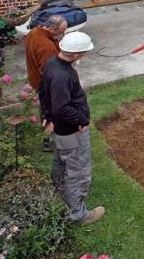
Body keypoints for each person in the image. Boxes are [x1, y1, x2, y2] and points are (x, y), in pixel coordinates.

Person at [40, 31, 105, 224]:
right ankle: (78, 214)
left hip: (60, 130)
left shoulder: (51, 64)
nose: (83, 55)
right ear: (76, 54)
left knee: (61, 162)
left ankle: (59, 196)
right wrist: (82, 120)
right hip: (71, 132)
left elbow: (42, 91)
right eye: (83, 52)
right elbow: (62, 108)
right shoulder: (63, 74)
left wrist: (46, 116)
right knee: (78, 170)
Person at [25, 15, 68, 151]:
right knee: (49, 111)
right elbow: (50, 73)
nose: (62, 34)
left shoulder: (34, 32)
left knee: (44, 109)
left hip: (36, 79)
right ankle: (48, 141)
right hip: (45, 86)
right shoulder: (46, 47)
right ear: (50, 28)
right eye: (60, 32)